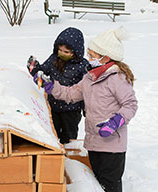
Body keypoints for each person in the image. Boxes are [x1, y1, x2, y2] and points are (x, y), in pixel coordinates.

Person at [36, 27, 138, 192]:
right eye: (89, 54)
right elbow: (70, 94)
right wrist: (51, 86)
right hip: (93, 142)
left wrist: (115, 122)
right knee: (97, 184)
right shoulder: (89, 78)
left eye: (92, 55)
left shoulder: (117, 78)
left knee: (110, 186)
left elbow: (131, 104)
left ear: (106, 58)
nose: (89, 58)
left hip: (112, 146)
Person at [27, 27, 88, 144]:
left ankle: (68, 159)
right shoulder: (53, 59)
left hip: (71, 110)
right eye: (60, 50)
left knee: (69, 137)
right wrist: (34, 68)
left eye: (66, 52)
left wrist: (87, 108)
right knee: (51, 135)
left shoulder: (83, 65)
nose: (62, 54)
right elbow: (42, 72)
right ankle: (54, 159)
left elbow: (87, 88)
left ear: (76, 52)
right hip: (52, 106)